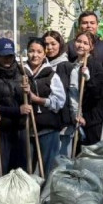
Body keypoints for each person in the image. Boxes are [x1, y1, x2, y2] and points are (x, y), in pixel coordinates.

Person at [24, 38, 66, 176]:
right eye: (31, 51)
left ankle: (46, 191)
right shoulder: (20, 73)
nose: (35, 55)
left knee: (48, 171)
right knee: (26, 171)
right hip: (26, 130)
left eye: (39, 52)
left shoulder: (51, 74)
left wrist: (37, 100)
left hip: (48, 129)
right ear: (26, 52)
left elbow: (59, 102)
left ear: (44, 54)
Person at [0, 38, 27, 176]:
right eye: (3, 56)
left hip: (20, 129)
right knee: (0, 170)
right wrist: (15, 111)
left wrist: (29, 92)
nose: (7, 59)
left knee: (20, 171)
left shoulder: (22, 74)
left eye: (10, 55)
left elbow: (27, 101)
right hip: (0, 129)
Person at [68, 31, 103, 147]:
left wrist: (89, 79)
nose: (81, 45)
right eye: (79, 41)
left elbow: (100, 94)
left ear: (91, 47)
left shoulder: (94, 65)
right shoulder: (73, 64)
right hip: (75, 116)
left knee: (90, 154)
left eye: (85, 43)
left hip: (90, 120)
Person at [43, 30, 75, 157]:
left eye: (53, 44)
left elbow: (72, 94)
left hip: (63, 122)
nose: (49, 48)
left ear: (60, 45)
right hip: (46, 122)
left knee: (62, 161)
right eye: (46, 44)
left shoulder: (67, 66)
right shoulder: (41, 66)